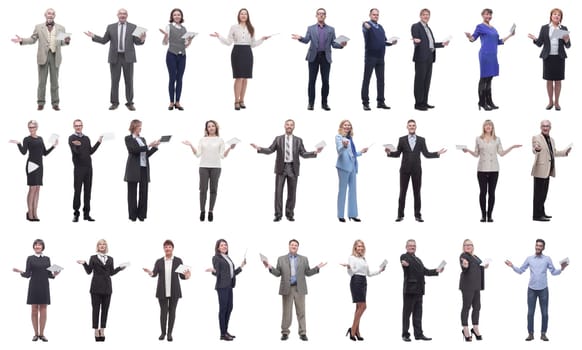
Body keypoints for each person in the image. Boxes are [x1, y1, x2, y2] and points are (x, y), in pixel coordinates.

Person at [251, 119, 322, 222]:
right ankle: (278, 215)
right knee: (278, 192)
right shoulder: (278, 139)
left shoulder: (298, 140)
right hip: (281, 168)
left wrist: (315, 152)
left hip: (293, 169)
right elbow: (270, 150)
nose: (289, 126)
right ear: (284, 126)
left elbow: (303, 153)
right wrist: (259, 148)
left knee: (292, 193)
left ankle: (290, 214)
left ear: (294, 127)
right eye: (287, 124)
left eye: (291, 125)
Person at [505, 239, 568, 341]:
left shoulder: (547, 259)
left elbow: (553, 272)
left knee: (545, 313)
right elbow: (521, 270)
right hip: (532, 290)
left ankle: (543, 334)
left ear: (543, 248)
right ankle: (530, 334)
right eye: (537, 245)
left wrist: (562, 268)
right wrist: (512, 266)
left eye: (540, 246)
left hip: (543, 289)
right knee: (530, 313)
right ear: (535, 246)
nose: (538, 247)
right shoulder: (529, 259)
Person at [263, 239, 326, 341]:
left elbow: (308, 273)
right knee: (286, 312)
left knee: (301, 312)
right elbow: (278, 273)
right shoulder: (281, 259)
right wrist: (270, 267)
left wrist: (317, 268)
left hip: (299, 288)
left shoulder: (304, 259)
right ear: (289, 246)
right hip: (287, 288)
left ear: (298, 247)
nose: (294, 246)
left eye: (296, 245)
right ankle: (284, 332)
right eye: (292, 245)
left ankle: (303, 333)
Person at [85, 8, 146, 111]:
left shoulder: (133, 27)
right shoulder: (111, 27)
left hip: (128, 58)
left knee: (129, 81)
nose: (122, 15)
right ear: (117, 15)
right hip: (115, 57)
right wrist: (94, 36)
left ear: (127, 15)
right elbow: (104, 40)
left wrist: (142, 40)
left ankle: (130, 103)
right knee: (114, 81)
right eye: (121, 13)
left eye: (124, 14)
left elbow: (137, 42)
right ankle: (114, 102)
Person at [386, 119, 445, 222]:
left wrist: (437, 153)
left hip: (417, 170)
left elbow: (426, 154)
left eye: (413, 125)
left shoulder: (421, 140)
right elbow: (397, 154)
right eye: (410, 125)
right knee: (402, 193)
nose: (412, 127)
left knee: (417, 193)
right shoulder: (402, 139)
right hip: (404, 170)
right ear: (407, 127)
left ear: (416, 127)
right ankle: (400, 215)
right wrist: (389, 153)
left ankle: (418, 215)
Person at [462, 120, 521, 222]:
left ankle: (489, 215)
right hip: (482, 169)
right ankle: (483, 215)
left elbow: (501, 153)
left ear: (492, 127)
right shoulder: (478, 139)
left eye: (490, 125)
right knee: (483, 192)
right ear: (483, 127)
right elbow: (476, 154)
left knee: (492, 193)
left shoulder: (497, 139)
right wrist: (468, 151)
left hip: (494, 169)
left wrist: (512, 147)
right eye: (486, 125)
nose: (488, 127)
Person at [211, 8, 270, 110]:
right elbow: (229, 42)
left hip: (247, 52)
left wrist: (262, 39)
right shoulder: (234, 27)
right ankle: (236, 101)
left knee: (245, 78)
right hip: (237, 51)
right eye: (241, 14)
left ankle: (242, 100)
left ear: (248, 16)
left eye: (245, 14)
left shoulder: (251, 28)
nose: (243, 15)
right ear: (238, 16)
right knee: (239, 77)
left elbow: (253, 44)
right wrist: (219, 36)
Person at [11, 8, 70, 111]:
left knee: (55, 82)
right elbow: (33, 39)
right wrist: (22, 40)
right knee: (41, 82)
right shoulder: (38, 27)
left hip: (55, 57)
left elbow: (62, 43)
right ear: (45, 15)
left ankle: (55, 103)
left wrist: (66, 41)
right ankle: (40, 103)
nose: (50, 15)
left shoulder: (61, 28)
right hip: (43, 57)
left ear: (54, 15)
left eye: (52, 14)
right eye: (48, 13)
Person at [292, 8, 346, 111]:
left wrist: (341, 45)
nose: (321, 15)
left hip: (325, 57)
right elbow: (306, 40)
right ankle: (311, 103)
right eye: (319, 14)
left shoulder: (331, 29)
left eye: (323, 14)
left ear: (325, 16)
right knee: (312, 81)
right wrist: (300, 38)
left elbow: (334, 44)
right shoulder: (311, 28)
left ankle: (324, 103)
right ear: (316, 15)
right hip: (313, 57)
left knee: (325, 81)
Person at [183, 120, 235, 222]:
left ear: (216, 128)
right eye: (209, 126)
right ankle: (202, 211)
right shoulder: (202, 140)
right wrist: (190, 145)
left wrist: (230, 148)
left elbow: (222, 156)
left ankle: (210, 211)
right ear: (206, 129)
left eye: (212, 126)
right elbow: (198, 154)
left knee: (213, 190)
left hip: (216, 167)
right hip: (203, 167)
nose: (211, 128)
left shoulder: (220, 140)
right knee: (203, 190)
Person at [465, 8, 514, 111]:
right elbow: (473, 38)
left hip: (493, 55)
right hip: (485, 55)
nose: (488, 16)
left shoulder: (494, 29)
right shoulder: (480, 27)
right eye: (486, 14)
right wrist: (469, 37)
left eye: (490, 14)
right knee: (484, 78)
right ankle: (482, 102)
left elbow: (498, 42)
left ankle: (489, 101)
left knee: (490, 78)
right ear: (482, 15)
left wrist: (510, 35)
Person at [77, 239, 126, 342]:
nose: (102, 246)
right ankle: (96, 330)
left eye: (104, 244)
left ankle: (102, 330)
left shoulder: (111, 259)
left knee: (105, 310)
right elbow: (89, 271)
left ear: (106, 246)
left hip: (107, 288)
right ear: (97, 246)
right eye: (100, 244)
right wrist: (84, 263)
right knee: (95, 310)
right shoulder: (93, 258)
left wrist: (120, 268)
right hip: (95, 287)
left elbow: (111, 273)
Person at [143, 240, 191, 342]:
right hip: (162, 291)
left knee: (172, 312)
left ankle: (169, 333)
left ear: (172, 248)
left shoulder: (178, 260)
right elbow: (155, 274)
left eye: (169, 247)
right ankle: (163, 333)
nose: (167, 248)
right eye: (166, 247)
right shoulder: (159, 261)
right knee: (163, 312)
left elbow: (182, 276)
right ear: (163, 249)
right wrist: (150, 273)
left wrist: (187, 276)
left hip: (174, 291)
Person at [10, 120, 57, 222]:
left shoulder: (40, 139)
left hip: (40, 166)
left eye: (33, 127)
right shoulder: (27, 139)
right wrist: (18, 143)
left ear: (37, 127)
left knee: (37, 189)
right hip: (31, 165)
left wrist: (53, 146)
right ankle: (30, 213)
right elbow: (23, 152)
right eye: (29, 127)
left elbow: (44, 153)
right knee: (32, 189)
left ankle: (35, 213)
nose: (31, 129)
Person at [13, 239, 59, 342]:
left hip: (44, 286)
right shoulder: (30, 258)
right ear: (33, 247)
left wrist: (54, 274)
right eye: (36, 245)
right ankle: (35, 334)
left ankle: (42, 334)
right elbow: (28, 274)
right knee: (34, 309)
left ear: (43, 247)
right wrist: (20, 272)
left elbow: (49, 275)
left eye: (39, 245)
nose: (37, 246)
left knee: (43, 309)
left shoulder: (47, 259)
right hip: (34, 285)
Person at [340, 240, 385, 341]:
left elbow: (368, 273)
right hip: (356, 281)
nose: (360, 248)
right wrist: (348, 267)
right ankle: (352, 330)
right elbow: (352, 272)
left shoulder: (363, 259)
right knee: (363, 306)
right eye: (358, 246)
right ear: (355, 247)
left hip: (364, 282)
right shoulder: (352, 257)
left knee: (359, 308)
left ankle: (357, 331)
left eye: (362, 246)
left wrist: (380, 270)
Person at [400, 239, 443, 342]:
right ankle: (405, 334)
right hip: (410, 290)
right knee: (407, 313)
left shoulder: (418, 260)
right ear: (406, 247)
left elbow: (425, 271)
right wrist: (403, 263)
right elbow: (403, 261)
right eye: (410, 245)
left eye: (414, 246)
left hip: (419, 290)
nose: (412, 247)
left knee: (418, 314)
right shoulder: (404, 256)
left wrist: (436, 270)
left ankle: (418, 334)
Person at [527, 8, 571, 110]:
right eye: (554, 14)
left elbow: (568, 46)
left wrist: (566, 40)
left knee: (558, 81)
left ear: (561, 18)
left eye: (559, 15)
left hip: (559, 58)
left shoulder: (563, 28)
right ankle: (550, 101)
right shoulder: (545, 28)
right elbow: (540, 44)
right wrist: (535, 39)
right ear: (551, 16)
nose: (556, 16)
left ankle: (557, 103)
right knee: (549, 81)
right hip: (548, 58)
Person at [205, 239, 246, 341]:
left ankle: (225, 331)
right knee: (223, 309)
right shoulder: (216, 258)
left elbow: (231, 273)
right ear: (218, 247)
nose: (224, 246)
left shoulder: (227, 258)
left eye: (225, 245)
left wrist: (241, 266)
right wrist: (213, 271)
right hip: (222, 287)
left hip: (229, 286)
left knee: (229, 308)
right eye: (222, 245)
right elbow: (217, 272)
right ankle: (222, 334)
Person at [531, 120, 571, 221]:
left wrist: (565, 152)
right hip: (540, 170)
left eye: (547, 126)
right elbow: (535, 148)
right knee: (538, 195)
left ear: (550, 128)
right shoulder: (536, 138)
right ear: (540, 127)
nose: (545, 128)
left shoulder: (551, 140)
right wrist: (537, 149)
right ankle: (536, 215)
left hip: (548, 170)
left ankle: (542, 212)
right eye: (543, 126)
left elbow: (554, 152)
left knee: (544, 194)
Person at [411, 8, 449, 111]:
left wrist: (442, 44)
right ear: (420, 15)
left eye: (428, 15)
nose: (426, 16)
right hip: (421, 58)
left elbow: (430, 43)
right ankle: (418, 104)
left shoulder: (428, 28)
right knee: (419, 81)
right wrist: (415, 41)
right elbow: (416, 39)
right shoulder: (416, 26)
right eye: (424, 14)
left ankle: (424, 102)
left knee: (427, 81)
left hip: (429, 57)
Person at [124, 119, 160, 222]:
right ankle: (133, 216)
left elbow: (146, 154)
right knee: (132, 193)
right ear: (134, 126)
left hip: (144, 168)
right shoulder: (128, 138)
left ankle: (141, 215)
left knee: (144, 193)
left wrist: (155, 147)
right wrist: (148, 145)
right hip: (133, 169)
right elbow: (133, 150)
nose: (141, 128)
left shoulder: (142, 139)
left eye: (141, 126)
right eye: (139, 126)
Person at [361, 8, 396, 111]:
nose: (376, 16)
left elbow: (384, 41)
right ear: (370, 15)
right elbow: (364, 27)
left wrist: (391, 43)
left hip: (381, 57)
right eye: (374, 14)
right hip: (370, 57)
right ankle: (365, 103)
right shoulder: (367, 25)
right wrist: (364, 24)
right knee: (367, 79)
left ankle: (381, 102)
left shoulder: (380, 27)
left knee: (381, 80)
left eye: (377, 15)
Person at [69, 119, 102, 222]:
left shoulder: (86, 138)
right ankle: (76, 214)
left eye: (80, 125)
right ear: (74, 127)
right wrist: (77, 146)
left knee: (88, 192)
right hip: (79, 169)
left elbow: (90, 151)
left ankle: (87, 214)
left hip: (88, 168)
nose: (78, 127)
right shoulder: (72, 138)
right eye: (76, 126)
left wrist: (98, 142)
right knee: (77, 191)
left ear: (82, 126)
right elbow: (74, 152)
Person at [160, 8, 193, 111]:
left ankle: (178, 102)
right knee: (172, 78)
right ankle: (171, 102)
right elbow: (164, 43)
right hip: (171, 55)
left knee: (180, 79)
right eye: (175, 15)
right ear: (172, 17)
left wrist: (190, 41)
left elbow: (185, 45)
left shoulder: (184, 29)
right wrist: (165, 36)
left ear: (181, 16)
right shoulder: (169, 27)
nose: (177, 16)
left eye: (179, 15)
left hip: (182, 56)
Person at [336, 120, 368, 222]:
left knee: (353, 191)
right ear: (341, 126)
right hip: (343, 167)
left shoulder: (350, 138)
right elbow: (339, 151)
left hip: (353, 166)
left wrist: (361, 152)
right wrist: (343, 146)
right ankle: (340, 215)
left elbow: (352, 153)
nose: (347, 126)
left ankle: (353, 214)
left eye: (349, 125)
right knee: (342, 191)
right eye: (345, 125)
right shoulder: (339, 137)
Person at [459, 239, 488, 342]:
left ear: (473, 247)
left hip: (476, 286)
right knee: (466, 307)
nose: (468, 246)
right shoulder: (464, 256)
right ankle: (465, 329)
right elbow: (464, 265)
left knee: (477, 307)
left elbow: (480, 265)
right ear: (463, 247)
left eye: (470, 245)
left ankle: (475, 328)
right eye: (466, 245)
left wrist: (485, 265)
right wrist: (464, 265)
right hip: (467, 286)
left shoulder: (475, 257)